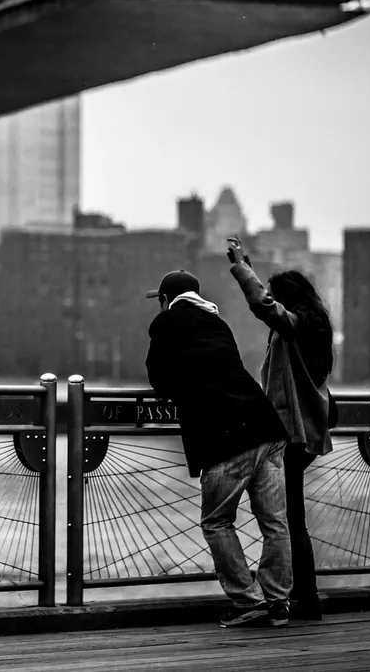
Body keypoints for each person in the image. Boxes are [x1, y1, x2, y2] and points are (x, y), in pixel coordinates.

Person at [145, 269, 294, 628]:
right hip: (266, 427)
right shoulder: (218, 322)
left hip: (226, 435)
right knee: (275, 522)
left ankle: (247, 600)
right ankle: (277, 601)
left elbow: (158, 377)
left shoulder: (166, 323)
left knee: (217, 520)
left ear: (166, 299)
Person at [226, 237, 339, 621]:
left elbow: (262, 305)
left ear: (288, 299)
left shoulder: (297, 326)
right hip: (301, 432)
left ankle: (302, 597)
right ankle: (297, 595)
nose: (272, 301)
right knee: (289, 516)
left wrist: (242, 267)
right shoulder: (314, 327)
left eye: (277, 296)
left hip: (292, 434)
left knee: (289, 519)